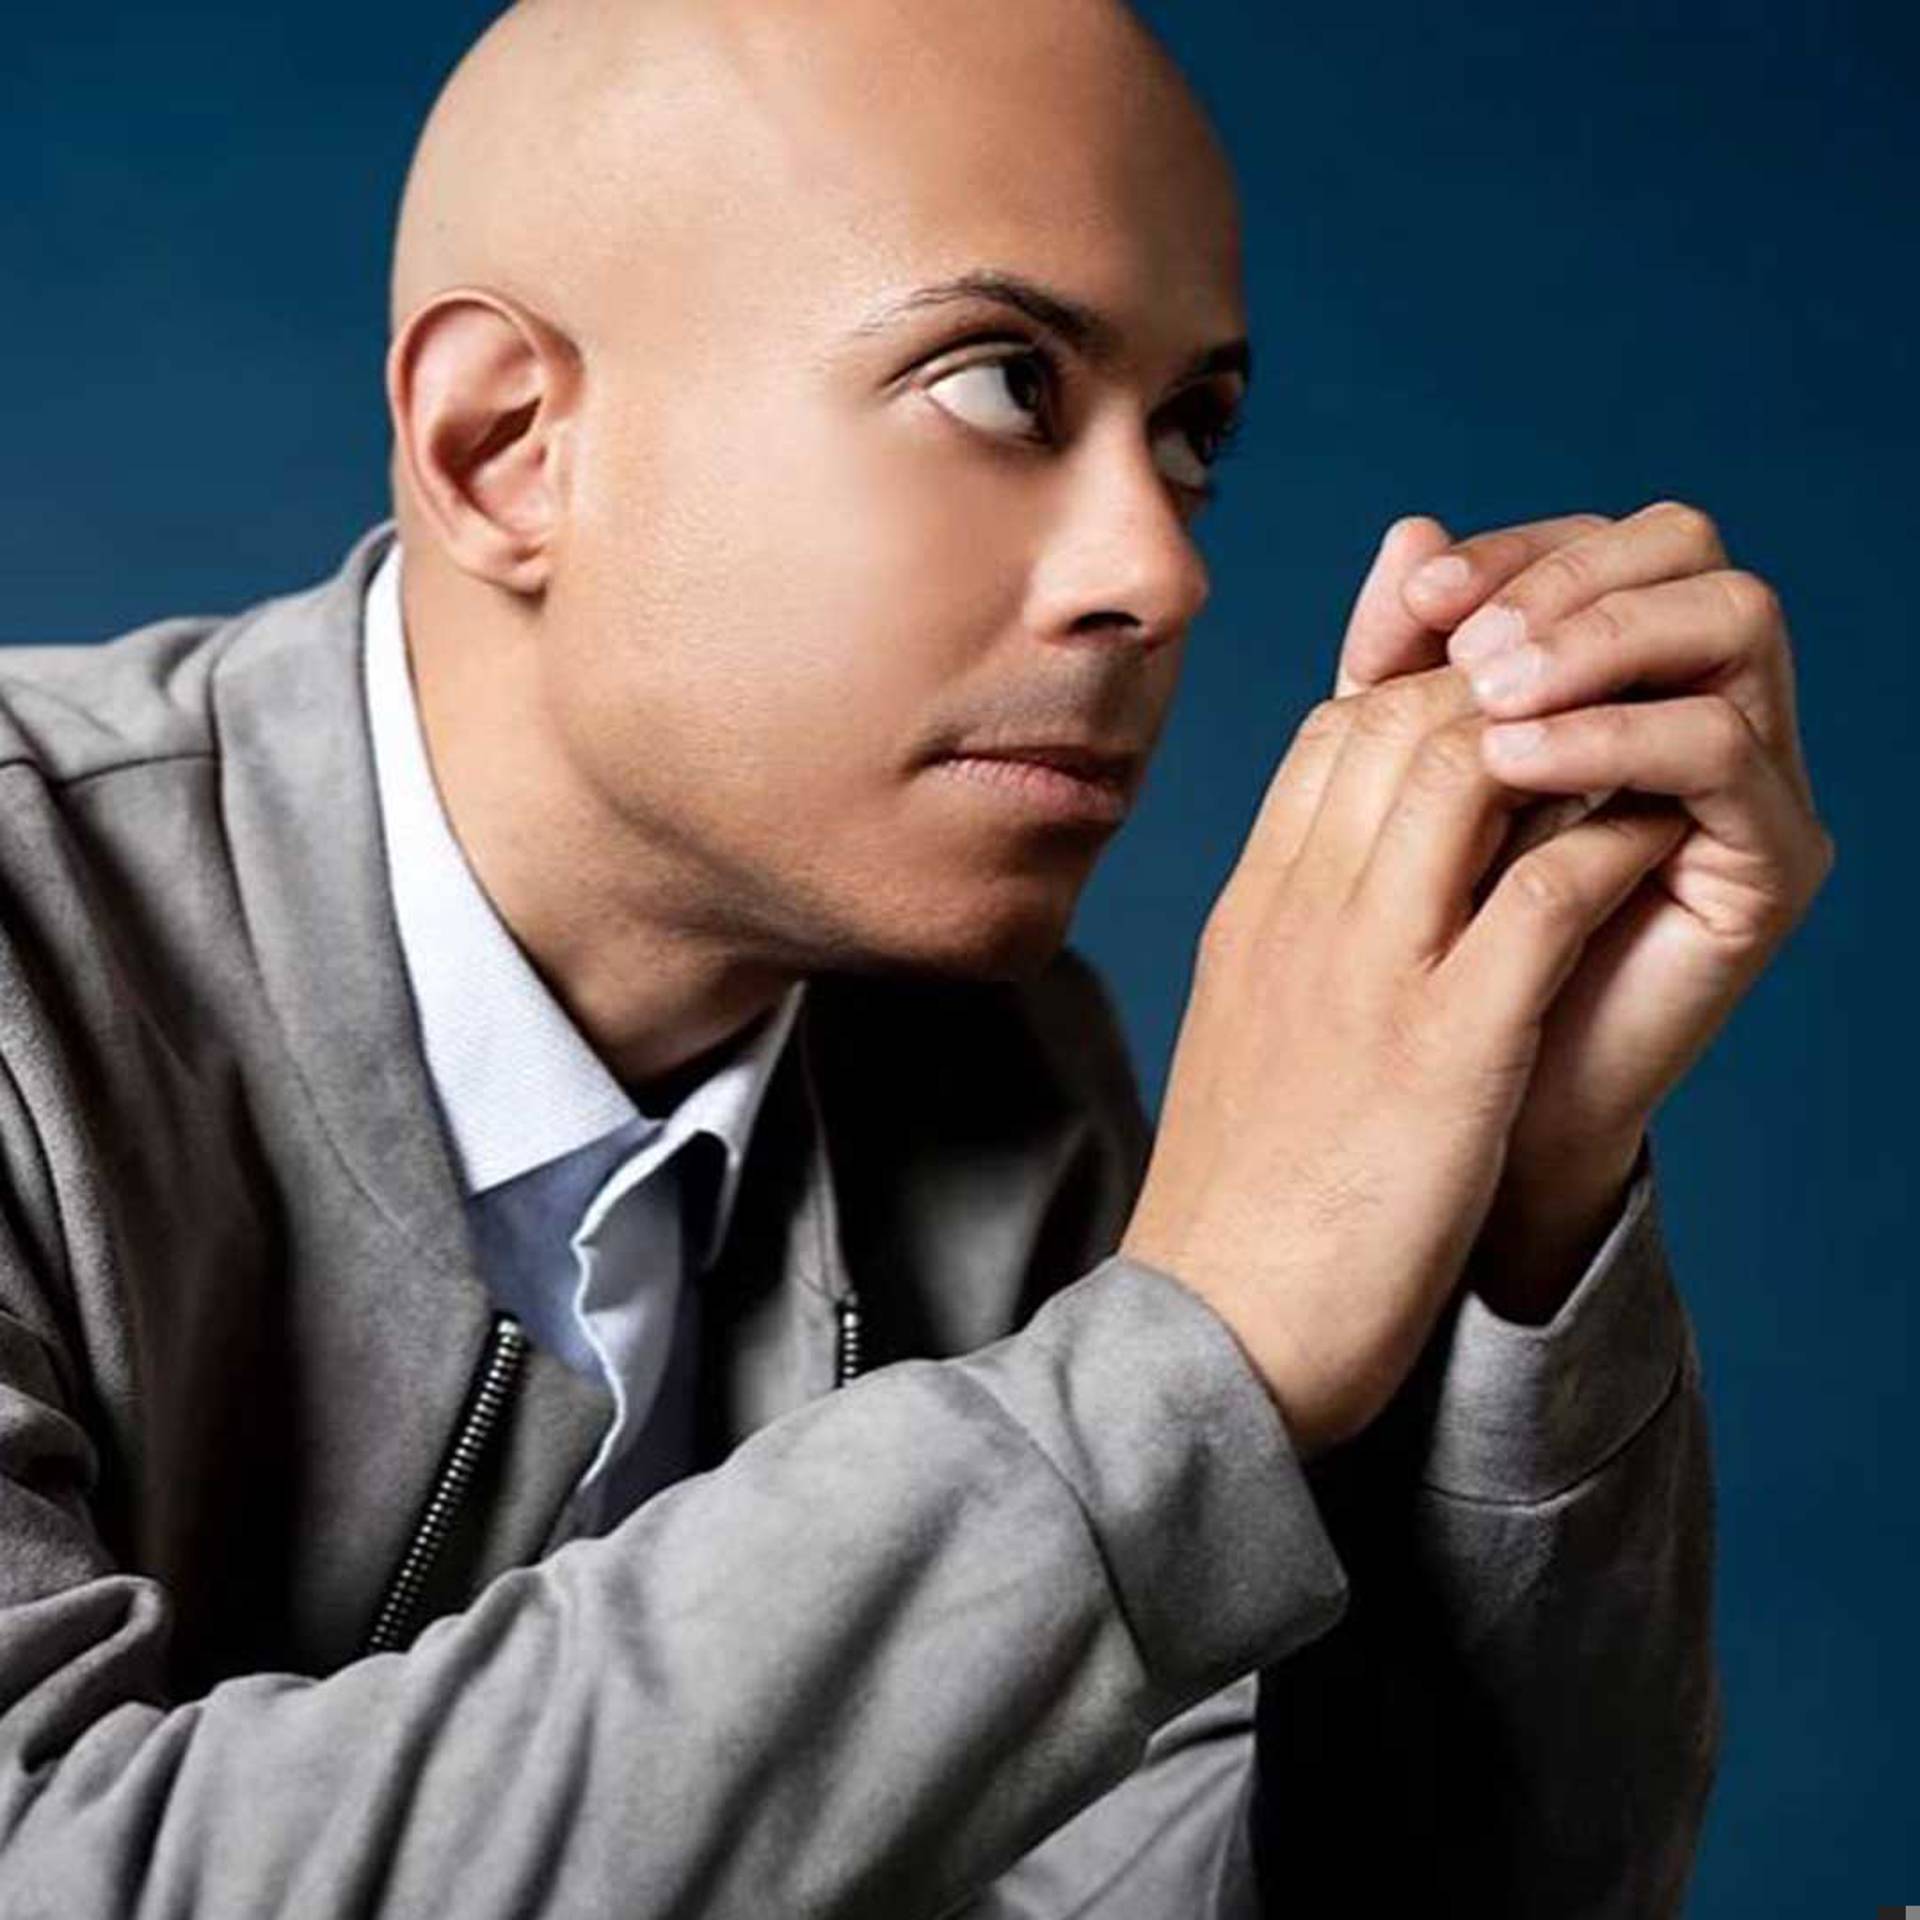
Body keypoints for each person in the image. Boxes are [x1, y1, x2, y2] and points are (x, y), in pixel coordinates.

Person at [0, 0, 1832, 1913]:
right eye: (999, 386)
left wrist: (1510, 1198)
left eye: (1191, 432)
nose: (1165, 566)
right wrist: (1193, 1350)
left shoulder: (995, 1068)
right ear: (506, 448)